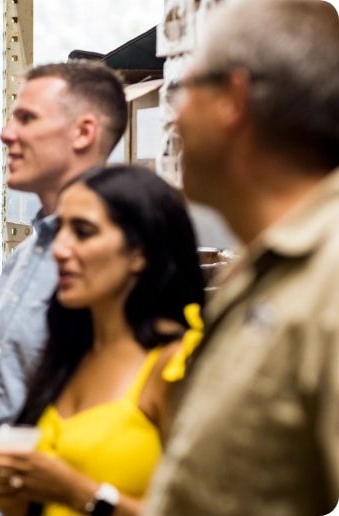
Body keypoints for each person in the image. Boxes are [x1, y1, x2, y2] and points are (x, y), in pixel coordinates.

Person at [142, 1, 339, 514]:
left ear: (232, 98)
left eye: (181, 90)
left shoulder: (329, 271)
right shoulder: (266, 266)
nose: (174, 115)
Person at [0, 61, 127, 516]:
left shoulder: (112, 263)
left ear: (83, 133)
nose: (5, 134)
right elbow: (30, 386)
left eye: (27, 118)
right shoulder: (24, 258)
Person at [0, 165, 205, 516]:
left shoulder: (176, 363)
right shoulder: (70, 353)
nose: (60, 250)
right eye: (61, 230)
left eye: (82, 232)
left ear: (140, 252)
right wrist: (12, 491)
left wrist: (75, 490)